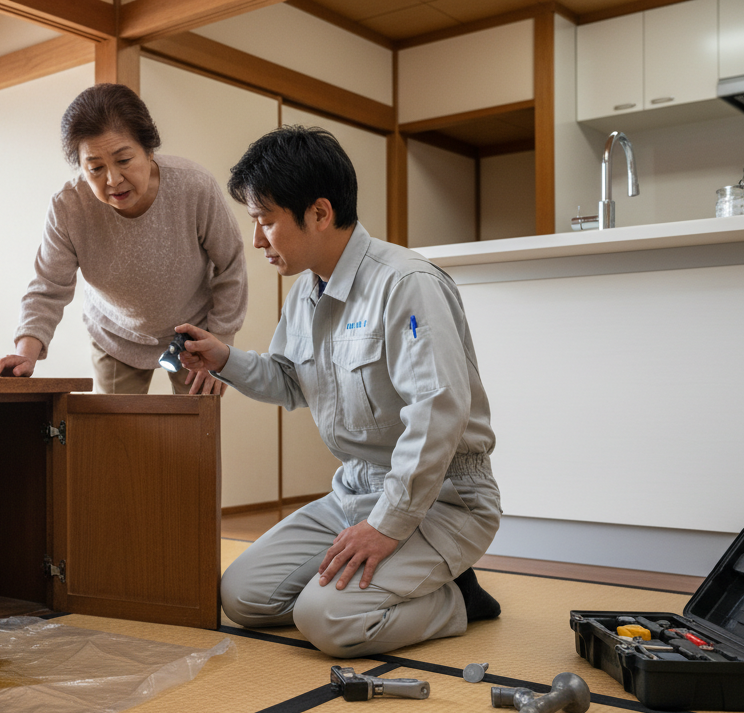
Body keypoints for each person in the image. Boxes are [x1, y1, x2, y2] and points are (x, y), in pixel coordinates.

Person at [175, 126, 502, 658]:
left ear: (320, 213)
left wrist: (388, 526)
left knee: (325, 619)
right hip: (355, 489)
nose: (257, 240)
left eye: (265, 221)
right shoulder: (307, 290)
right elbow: (288, 380)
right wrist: (225, 358)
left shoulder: (406, 284)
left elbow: (437, 414)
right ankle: (393, 584)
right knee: (243, 596)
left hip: (444, 499)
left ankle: (457, 600)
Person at [0, 84, 247, 395]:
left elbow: (230, 264)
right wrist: (25, 354)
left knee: (195, 433)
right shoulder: (69, 206)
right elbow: (49, 287)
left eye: (123, 160)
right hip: (115, 335)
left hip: (192, 331)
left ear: (149, 149)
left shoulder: (194, 187)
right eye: (95, 168)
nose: (113, 180)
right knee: (115, 437)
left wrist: (222, 344)